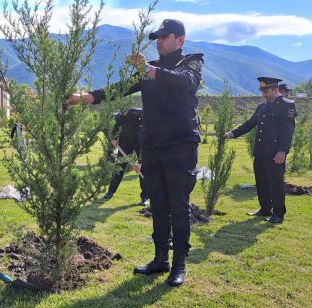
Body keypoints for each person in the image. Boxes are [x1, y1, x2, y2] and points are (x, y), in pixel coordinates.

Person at [67, 19, 203, 287]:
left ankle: (179, 265)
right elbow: (119, 89)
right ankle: (160, 259)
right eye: (157, 37)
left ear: (180, 39)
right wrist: (86, 98)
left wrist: (148, 69)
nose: (159, 41)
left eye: (165, 36)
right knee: (158, 204)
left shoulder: (191, 63)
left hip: (180, 144)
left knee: (178, 205)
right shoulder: (149, 69)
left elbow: (185, 83)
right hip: (152, 144)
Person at [223, 77, 297, 224]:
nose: (264, 94)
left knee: (276, 183)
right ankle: (265, 209)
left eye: (267, 91)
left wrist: (282, 151)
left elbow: (287, 131)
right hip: (261, 151)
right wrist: (231, 134)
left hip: (275, 152)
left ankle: (278, 213)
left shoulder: (286, 105)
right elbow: (250, 124)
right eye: (262, 91)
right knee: (261, 181)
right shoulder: (262, 107)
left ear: (276, 90)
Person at [103, 108, 149, 206]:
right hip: (126, 141)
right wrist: (112, 138)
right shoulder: (129, 113)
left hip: (141, 142)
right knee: (119, 165)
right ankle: (110, 191)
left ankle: (145, 197)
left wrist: (141, 162)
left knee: (143, 168)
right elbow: (107, 124)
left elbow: (149, 143)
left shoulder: (152, 121)